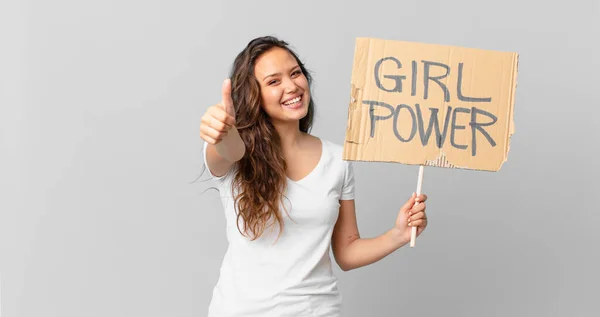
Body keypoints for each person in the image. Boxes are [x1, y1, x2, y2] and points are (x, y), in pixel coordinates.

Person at [199, 36, 429, 317]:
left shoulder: (338, 160)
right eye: (273, 81)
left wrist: (398, 235)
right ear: (252, 96)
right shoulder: (234, 152)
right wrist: (221, 129)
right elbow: (227, 149)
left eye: (295, 73)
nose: (291, 86)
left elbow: (346, 252)